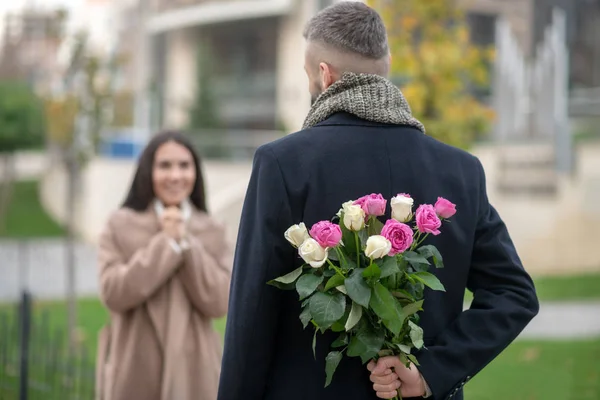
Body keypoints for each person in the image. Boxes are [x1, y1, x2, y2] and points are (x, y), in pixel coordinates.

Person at [218, 2, 539, 400]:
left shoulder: (283, 164)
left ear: (323, 73)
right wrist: (431, 373)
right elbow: (514, 295)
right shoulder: (460, 170)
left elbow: (251, 315)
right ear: (385, 64)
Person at [95, 131, 232, 400]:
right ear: (148, 171)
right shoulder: (120, 225)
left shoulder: (213, 230)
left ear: (196, 172)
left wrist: (187, 244)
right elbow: (112, 292)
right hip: (135, 369)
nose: (175, 175)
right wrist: (165, 244)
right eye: (165, 166)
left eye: (184, 165)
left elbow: (220, 301)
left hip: (195, 374)